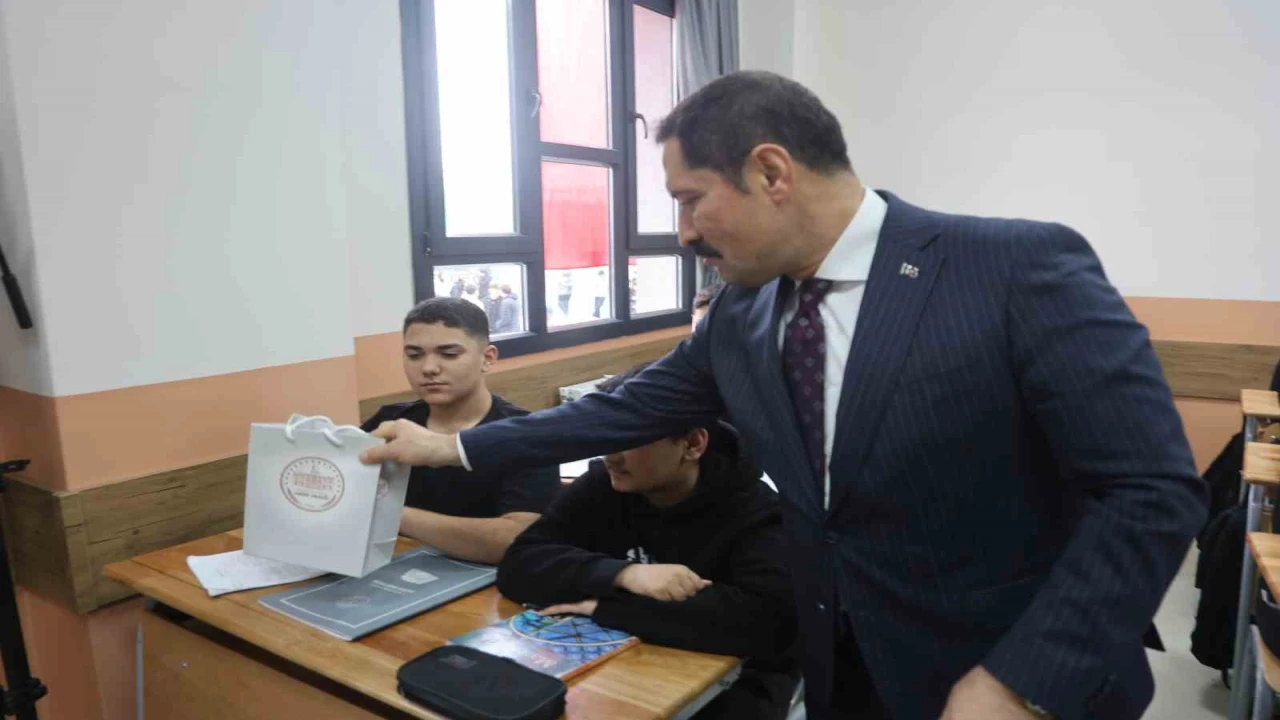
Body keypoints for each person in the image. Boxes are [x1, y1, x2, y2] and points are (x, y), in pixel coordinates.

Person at [363, 71, 1207, 720]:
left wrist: (1022, 681)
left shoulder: (1010, 267)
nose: (682, 233)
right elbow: (621, 411)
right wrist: (453, 445)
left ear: (771, 171)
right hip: (844, 667)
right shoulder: (744, 311)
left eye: (689, 200)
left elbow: (1149, 490)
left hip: (1009, 669)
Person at [498, 364, 800, 719]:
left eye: (628, 438)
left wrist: (604, 606)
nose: (611, 455)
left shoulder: (760, 512)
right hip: (621, 663)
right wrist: (624, 575)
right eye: (605, 436)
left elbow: (762, 624)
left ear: (693, 444)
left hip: (734, 683)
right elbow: (519, 564)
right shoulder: (603, 485)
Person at [360, 298, 559, 564]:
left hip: (487, 579)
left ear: (487, 358)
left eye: (449, 354)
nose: (429, 368)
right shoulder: (388, 422)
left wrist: (390, 514)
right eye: (415, 355)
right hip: (393, 564)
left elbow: (514, 539)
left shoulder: (524, 435)